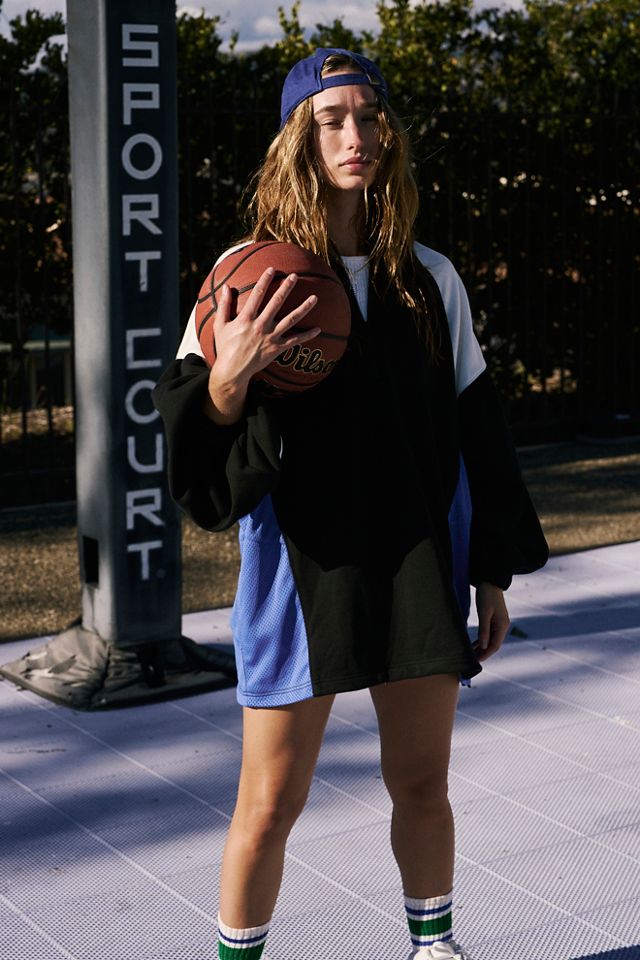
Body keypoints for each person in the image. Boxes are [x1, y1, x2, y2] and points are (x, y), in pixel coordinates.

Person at [153, 47, 548, 960]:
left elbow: (479, 434)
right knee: (269, 803)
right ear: (299, 138)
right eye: (331, 119)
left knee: (422, 784)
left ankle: (433, 948)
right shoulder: (246, 275)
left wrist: (490, 574)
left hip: (417, 558)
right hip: (303, 567)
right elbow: (196, 448)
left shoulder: (430, 278)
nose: (355, 135)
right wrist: (228, 381)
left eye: (369, 116)